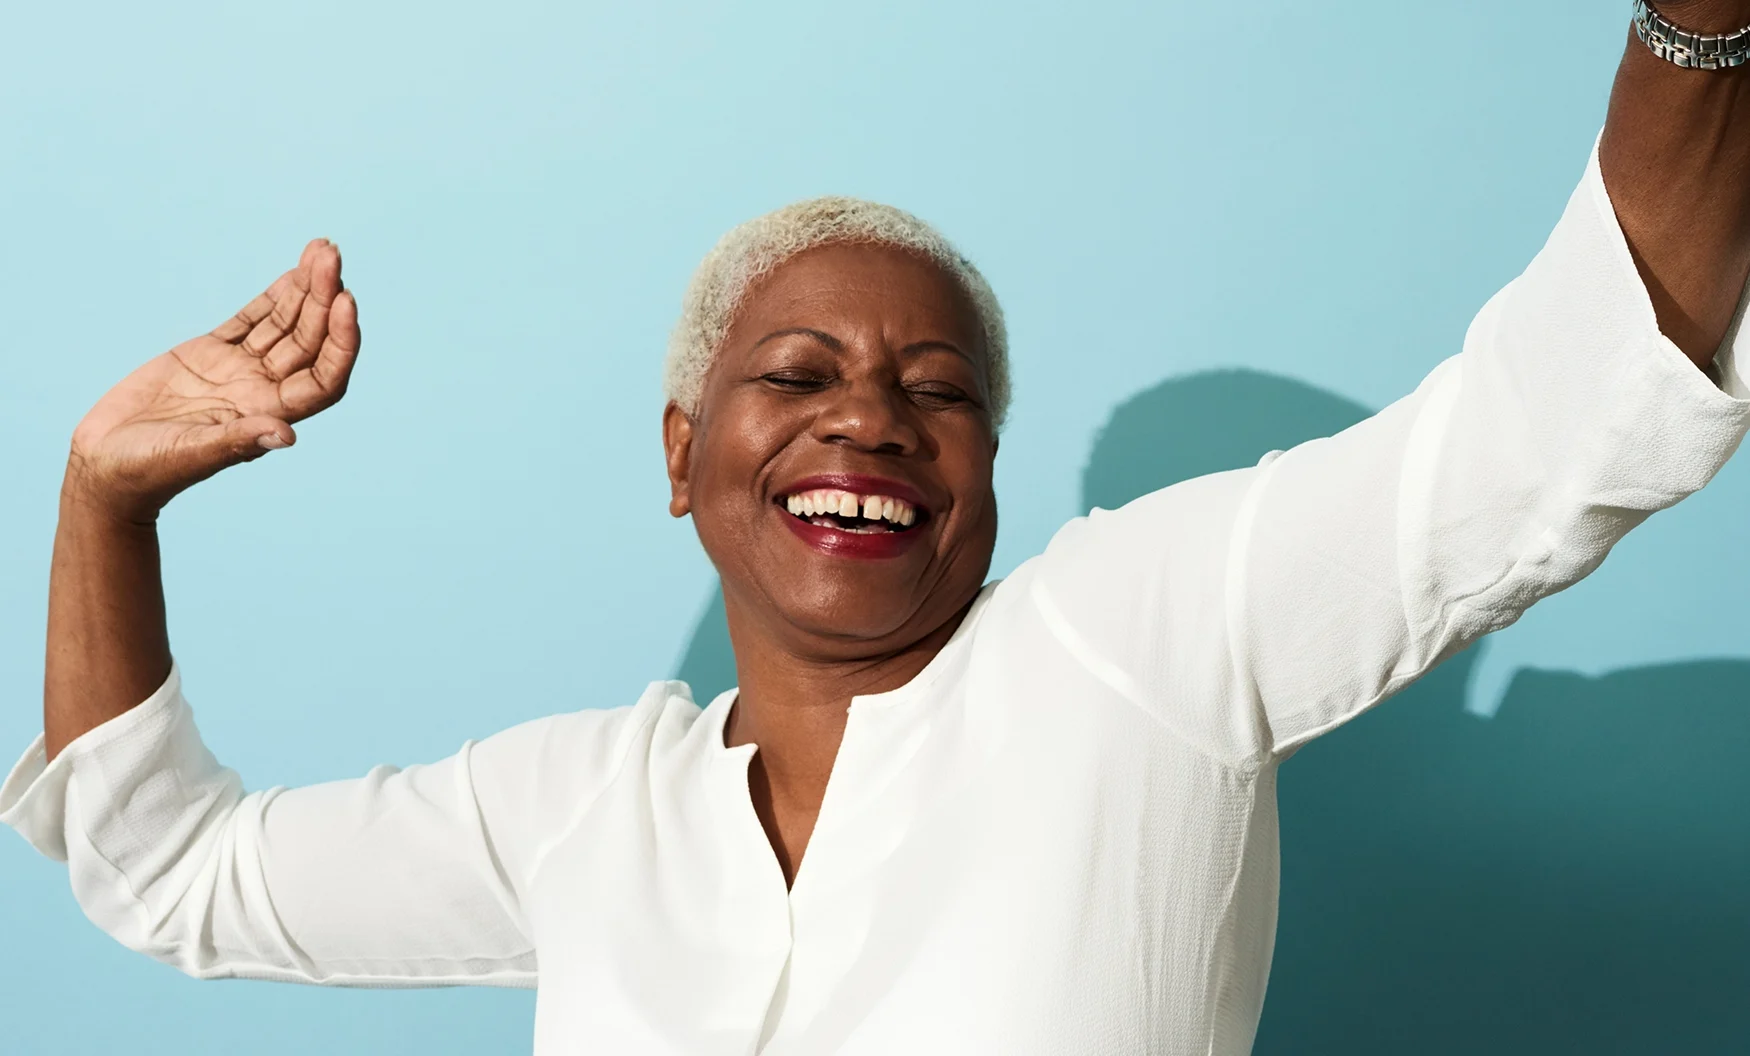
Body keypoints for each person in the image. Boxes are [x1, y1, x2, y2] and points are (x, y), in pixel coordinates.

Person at [4, 4, 1748, 1053]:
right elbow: (172, 872)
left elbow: (1548, 422)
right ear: (682, 455)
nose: (871, 417)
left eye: (938, 387)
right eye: (799, 373)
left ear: (984, 466)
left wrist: (1698, 32)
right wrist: (103, 496)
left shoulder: (1134, 642)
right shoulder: (576, 809)